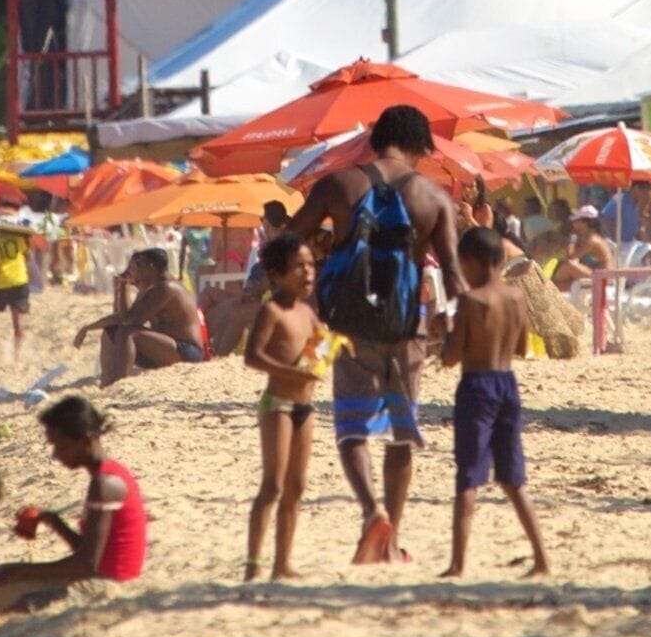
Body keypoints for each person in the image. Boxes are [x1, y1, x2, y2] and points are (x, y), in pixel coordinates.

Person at [284, 105, 465, 566]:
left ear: (374, 138)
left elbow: (286, 242)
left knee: (352, 427)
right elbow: (454, 277)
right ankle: (391, 538)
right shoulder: (434, 196)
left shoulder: (338, 184)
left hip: (344, 323)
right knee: (402, 433)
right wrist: (459, 325)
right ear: (421, 147)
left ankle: (372, 511)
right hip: (408, 326)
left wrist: (312, 269)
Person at [440, 226, 555, 579]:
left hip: (477, 385)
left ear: (471, 262)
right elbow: (521, 348)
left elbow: (451, 357)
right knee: (513, 479)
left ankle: (458, 564)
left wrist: (444, 331)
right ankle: (541, 558)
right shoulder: (516, 298)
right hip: (507, 383)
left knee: (469, 478)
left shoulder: (471, 302)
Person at [0, 396, 146, 607]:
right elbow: (89, 551)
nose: (56, 455)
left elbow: (87, 564)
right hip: (100, 575)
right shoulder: (107, 476)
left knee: (19, 602)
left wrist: (24, 571)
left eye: (62, 447)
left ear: (87, 441)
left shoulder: (104, 483)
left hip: (108, 584)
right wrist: (55, 523)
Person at [237, 235, 321, 582]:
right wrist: (294, 372)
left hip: (305, 407)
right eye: (299, 267)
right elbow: (252, 357)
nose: (308, 273)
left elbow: (318, 346)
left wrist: (336, 349)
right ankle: (254, 564)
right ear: (275, 275)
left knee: (297, 486)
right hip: (278, 406)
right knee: (272, 485)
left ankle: (282, 563)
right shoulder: (270, 310)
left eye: (311, 265)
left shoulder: (307, 311)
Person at [74, 247, 203, 383]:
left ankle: (120, 382)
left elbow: (129, 321)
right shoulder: (149, 289)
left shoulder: (167, 288)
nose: (131, 271)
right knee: (111, 331)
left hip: (186, 351)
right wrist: (121, 289)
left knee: (128, 333)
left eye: (136, 267)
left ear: (151, 267)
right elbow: (121, 316)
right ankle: (107, 383)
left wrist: (88, 328)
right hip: (164, 349)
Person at [0, 214, 35, 365]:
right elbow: (27, 256)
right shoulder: (17, 234)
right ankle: (17, 355)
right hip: (19, 279)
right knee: (17, 322)